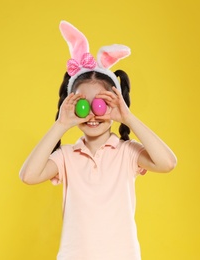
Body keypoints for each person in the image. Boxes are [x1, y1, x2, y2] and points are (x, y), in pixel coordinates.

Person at [19, 21, 177, 260]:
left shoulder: (127, 152)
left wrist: (128, 117)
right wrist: (61, 124)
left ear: (115, 103)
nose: (92, 114)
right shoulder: (66, 157)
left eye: (100, 104)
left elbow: (168, 163)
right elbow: (28, 176)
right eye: (84, 106)